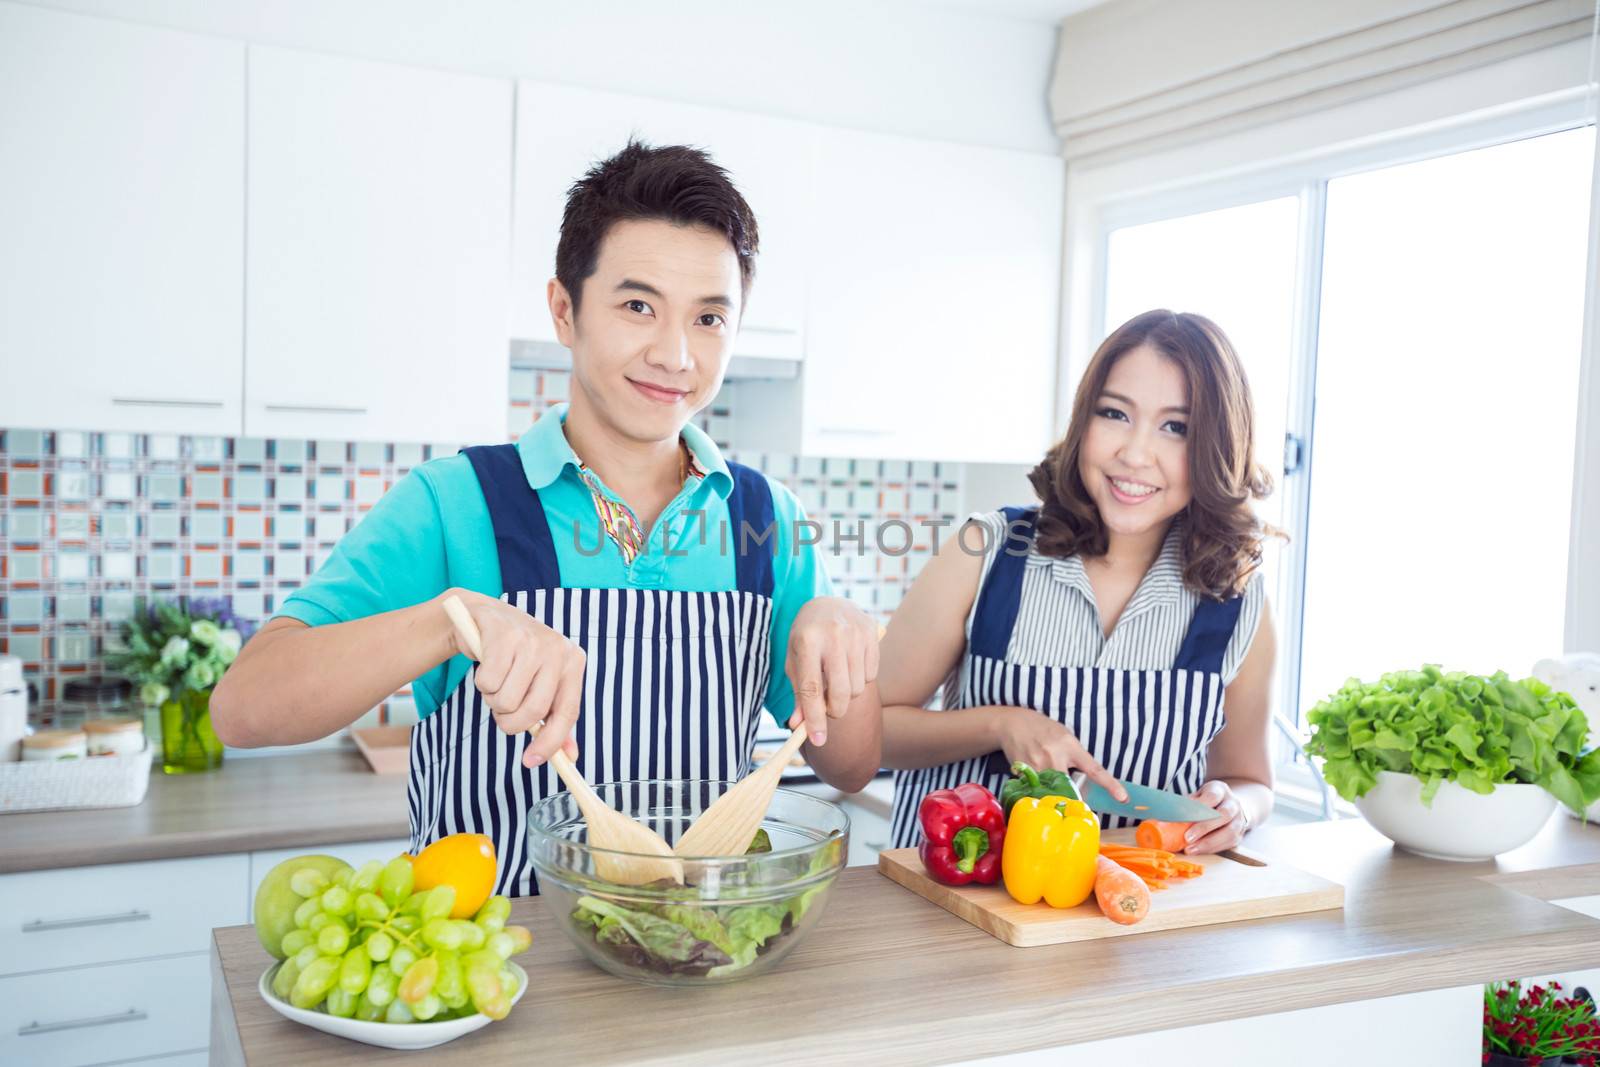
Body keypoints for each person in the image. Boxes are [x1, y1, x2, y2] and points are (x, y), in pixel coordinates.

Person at [213, 141, 882, 894]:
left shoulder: (765, 519)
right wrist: (450, 619)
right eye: (638, 306)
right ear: (565, 310)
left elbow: (851, 764)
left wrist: (838, 635)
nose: (674, 353)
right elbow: (244, 708)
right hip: (493, 978)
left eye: (708, 319)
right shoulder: (456, 501)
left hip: (693, 964)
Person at [878, 310, 1276, 855]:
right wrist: (998, 724)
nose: (1134, 454)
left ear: (1217, 447)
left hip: (1136, 912)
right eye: (1114, 413)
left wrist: (1238, 808)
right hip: (957, 904)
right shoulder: (989, 552)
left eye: (1175, 427)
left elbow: (1250, 779)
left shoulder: (1236, 598)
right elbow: (871, 735)